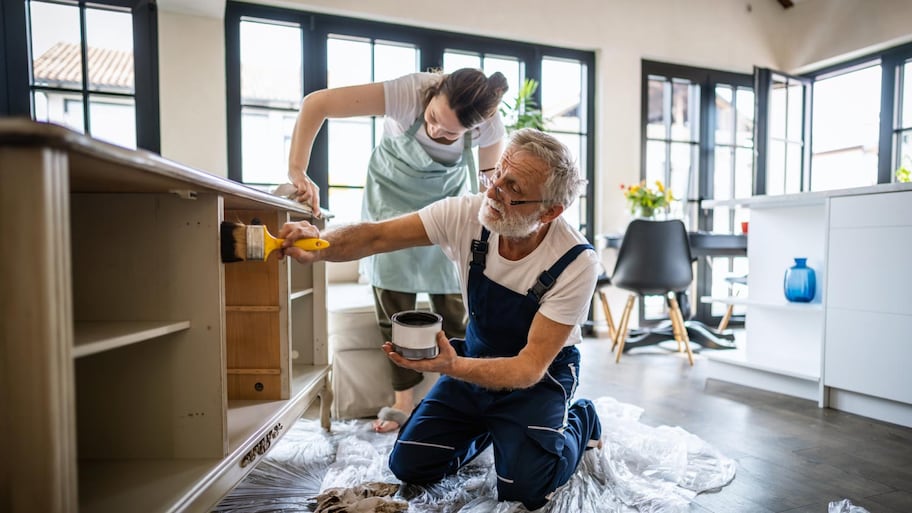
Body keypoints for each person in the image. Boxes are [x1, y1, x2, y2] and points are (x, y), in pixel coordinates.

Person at [278, 128, 603, 510]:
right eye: (496, 173)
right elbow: (377, 237)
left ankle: (583, 418)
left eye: (511, 187)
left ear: (549, 211)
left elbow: (529, 368)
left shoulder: (575, 262)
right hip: (475, 359)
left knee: (527, 490)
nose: (493, 190)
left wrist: (452, 366)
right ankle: (491, 426)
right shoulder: (469, 214)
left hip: (539, 377)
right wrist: (319, 244)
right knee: (410, 466)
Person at [286, 68, 510, 432]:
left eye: (451, 133)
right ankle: (402, 399)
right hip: (390, 200)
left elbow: (487, 190)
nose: (437, 131)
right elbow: (318, 104)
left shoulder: (490, 126)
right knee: (395, 309)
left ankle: (461, 399)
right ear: (433, 93)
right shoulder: (408, 93)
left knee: (456, 312)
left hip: (445, 209)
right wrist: (298, 170)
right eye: (434, 118)